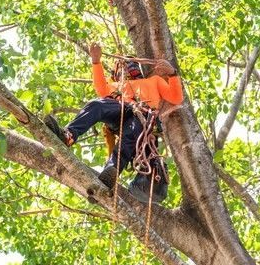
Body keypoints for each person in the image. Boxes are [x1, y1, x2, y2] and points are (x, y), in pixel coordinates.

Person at [44, 43, 183, 203]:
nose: (126, 67)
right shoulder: (116, 87)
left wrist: (172, 74)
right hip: (120, 111)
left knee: (130, 134)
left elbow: (176, 97)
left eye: (130, 64)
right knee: (97, 105)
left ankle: (110, 172)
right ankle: (68, 136)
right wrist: (96, 62)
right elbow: (101, 90)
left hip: (142, 116)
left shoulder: (154, 81)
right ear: (116, 73)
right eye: (121, 66)